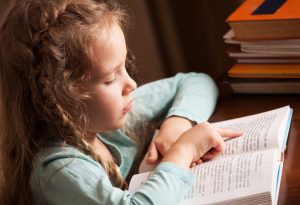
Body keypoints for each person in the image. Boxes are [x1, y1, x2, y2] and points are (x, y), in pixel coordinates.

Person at [0, 0, 243, 204]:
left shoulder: (104, 119)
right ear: (62, 96)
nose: (131, 85)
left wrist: (178, 123)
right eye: (111, 78)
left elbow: (196, 82)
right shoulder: (59, 171)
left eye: (124, 67)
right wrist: (183, 150)